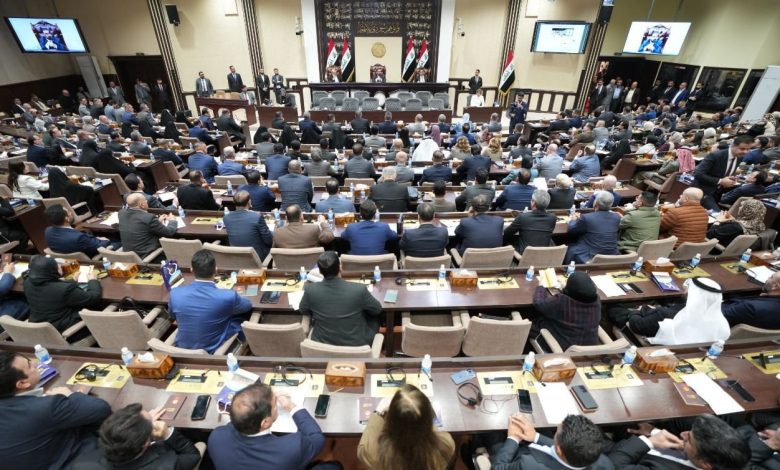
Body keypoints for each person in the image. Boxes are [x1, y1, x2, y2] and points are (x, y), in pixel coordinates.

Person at [0, 351, 112, 469]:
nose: (35, 364)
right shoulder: (45, 407)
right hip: (77, 461)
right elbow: (101, 408)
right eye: (29, 365)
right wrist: (69, 395)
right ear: (23, 383)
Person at [208, 383, 334, 470]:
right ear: (265, 422)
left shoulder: (216, 437)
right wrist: (291, 406)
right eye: (275, 403)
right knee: (334, 466)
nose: (277, 403)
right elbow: (316, 437)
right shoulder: (292, 448)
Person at [71, 403, 201, 470]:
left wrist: (139, 424)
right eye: (151, 421)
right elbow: (193, 455)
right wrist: (167, 433)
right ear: (146, 443)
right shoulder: (166, 465)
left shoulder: (81, 464)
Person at [168, 250, 252, 352]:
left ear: (191, 270)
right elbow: (247, 306)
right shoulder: (227, 296)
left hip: (182, 349)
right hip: (211, 350)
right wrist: (225, 292)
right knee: (240, 318)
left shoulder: (175, 293)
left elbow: (173, 316)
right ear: (216, 269)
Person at [358, 384, 455, 470]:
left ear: (391, 418)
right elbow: (429, 430)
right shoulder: (445, 445)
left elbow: (364, 447)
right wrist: (420, 414)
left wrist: (378, 412)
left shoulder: (372, 452)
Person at [299, 251, 382, 346]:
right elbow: (377, 310)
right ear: (340, 268)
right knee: (374, 318)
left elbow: (303, 310)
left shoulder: (310, 290)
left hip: (322, 344)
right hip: (356, 344)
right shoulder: (359, 289)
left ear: (320, 271)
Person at [608, 415, 750, 470]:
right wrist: (654, 432)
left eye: (689, 439)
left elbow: (611, 466)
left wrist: (648, 442)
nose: (682, 434)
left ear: (704, 464)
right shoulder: (730, 455)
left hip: (618, 455)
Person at [491, 414, 612, 470]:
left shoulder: (528, 465)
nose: (556, 431)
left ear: (559, 449)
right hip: (536, 447)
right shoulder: (604, 463)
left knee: (493, 434)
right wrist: (536, 437)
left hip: (516, 456)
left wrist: (513, 438)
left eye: (557, 431)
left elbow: (496, 468)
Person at [23, 254, 102, 334]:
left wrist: (72, 280)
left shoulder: (28, 282)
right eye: (57, 267)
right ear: (52, 271)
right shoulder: (65, 289)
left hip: (39, 326)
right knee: (99, 306)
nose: (60, 266)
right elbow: (93, 297)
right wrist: (93, 280)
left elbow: (51, 288)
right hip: (63, 329)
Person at [642, 277, 729, 344]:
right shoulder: (724, 326)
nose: (685, 292)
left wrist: (639, 310)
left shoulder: (683, 317)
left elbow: (638, 325)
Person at [531, 271, 601, 350]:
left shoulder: (562, 301)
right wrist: (565, 288)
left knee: (533, 320)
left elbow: (539, 303)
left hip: (566, 348)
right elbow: (577, 296)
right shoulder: (596, 300)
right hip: (590, 348)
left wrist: (540, 287)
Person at [693, 135, 753, 210]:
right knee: (717, 214)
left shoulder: (739, 157)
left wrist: (730, 179)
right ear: (733, 145)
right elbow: (698, 174)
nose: (745, 152)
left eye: (748, 149)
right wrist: (721, 181)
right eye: (742, 149)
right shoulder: (716, 155)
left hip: (717, 194)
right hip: (701, 192)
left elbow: (722, 173)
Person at [565, 191, 620, 264]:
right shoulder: (617, 217)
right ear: (611, 204)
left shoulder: (586, 218)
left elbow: (571, 230)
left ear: (595, 203)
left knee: (570, 246)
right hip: (612, 254)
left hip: (590, 256)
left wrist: (573, 220)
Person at [118, 193, 178, 259]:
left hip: (129, 255)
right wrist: (172, 220)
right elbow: (169, 232)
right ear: (142, 205)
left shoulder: (121, 213)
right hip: (147, 256)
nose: (147, 202)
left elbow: (140, 224)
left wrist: (157, 221)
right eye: (145, 201)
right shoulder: (149, 218)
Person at [45, 204, 116, 257]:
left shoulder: (48, 231)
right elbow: (99, 246)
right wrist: (104, 240)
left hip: (70, 257)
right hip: (94, 255)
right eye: (69, 212)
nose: (71, 212)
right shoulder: (78, 237)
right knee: (118, 239)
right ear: (66, 218)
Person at [223, 191, 274, 260]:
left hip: (237, 256)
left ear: (234, 202)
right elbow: (269, 241)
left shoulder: (226, 218)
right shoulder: (257, 217)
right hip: (257, 257)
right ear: (249, 202)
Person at [503, 189, 557, 254]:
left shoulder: (523, 217)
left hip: (524, 255)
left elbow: (507, 233)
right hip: (544, 253)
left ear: (533, 203)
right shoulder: (553, 218)